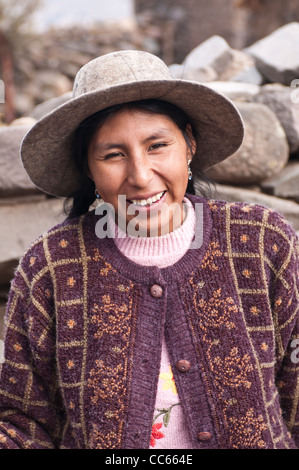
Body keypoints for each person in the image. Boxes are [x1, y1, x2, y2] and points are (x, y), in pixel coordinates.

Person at [0, 50, 298, 450]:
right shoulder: (54, 266)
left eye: (157, 145)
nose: (140, 176)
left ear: (189, 144)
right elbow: (22, 419)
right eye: (113, 155)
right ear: (88, 168)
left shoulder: (260, 241)